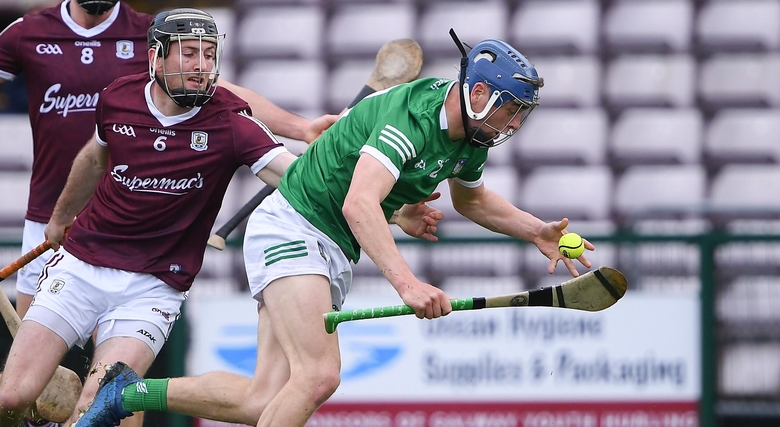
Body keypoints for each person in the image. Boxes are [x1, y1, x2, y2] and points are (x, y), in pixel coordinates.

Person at [74, 33, 597, 427]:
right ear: (478, 91)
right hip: (295, 228)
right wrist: (408, 284)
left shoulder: (472, 138)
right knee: (319, 377)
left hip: (326, 246)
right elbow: (359, 204)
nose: (513, 125)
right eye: (510, 111)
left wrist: (536, 232)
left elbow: (473, 198)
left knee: (263, 399)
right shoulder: (413, 116)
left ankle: (126, 394)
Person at [0, 7, 360, 427]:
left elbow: (296, 175)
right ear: (156, 58)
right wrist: (60, 218)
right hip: (82, 266)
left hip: (154, 287)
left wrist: (382, 203)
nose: (201, 66)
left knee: (101, 402)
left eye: (208, 54)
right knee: (12, 398)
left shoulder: (231, 122)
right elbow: (94, 157)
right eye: (188, 53)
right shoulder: (118, 97)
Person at [0, 0, 335, 322]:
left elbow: (222, 92)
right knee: (31, 357)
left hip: (121, 224)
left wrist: (301, 128)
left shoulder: (152, 36)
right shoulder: (28, 31)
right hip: (50, 211)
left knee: (111, 361)